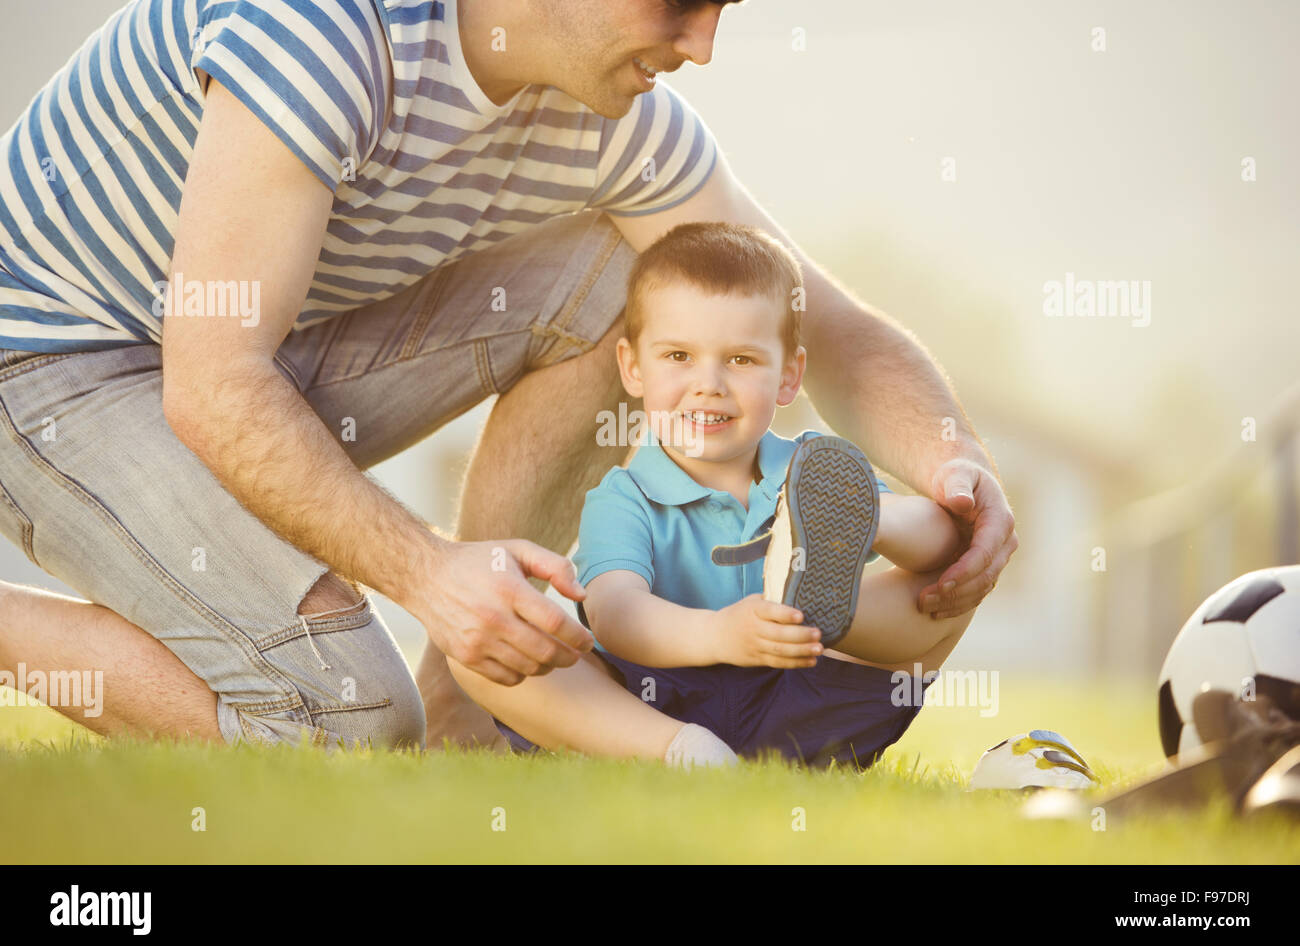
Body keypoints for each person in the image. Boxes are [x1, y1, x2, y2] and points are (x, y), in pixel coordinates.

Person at [0, 0, 1014, 750]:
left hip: (259, 347)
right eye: (682, 5)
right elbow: (215, 383)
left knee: (664, 295)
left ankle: (466, 705)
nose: (702, 45)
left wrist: (950, 456)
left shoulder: (619, 121)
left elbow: (817, 320)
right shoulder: (322, 32)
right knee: (343, 726)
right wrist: (430, 574)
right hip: (50, 361)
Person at [451, 222, 979, 768]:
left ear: (788, 376)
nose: (710, 383)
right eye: (678, 356)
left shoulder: (814, 468)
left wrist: (873, 521)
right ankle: (684, 753)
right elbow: (617, 614)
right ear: (633, 368)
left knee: (956, 582)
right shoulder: (624, 497)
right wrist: (720, 635)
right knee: (481, 653)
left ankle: (816, 598)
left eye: (742, 360)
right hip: (651, 704)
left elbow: (941, 545)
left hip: (798, 695)